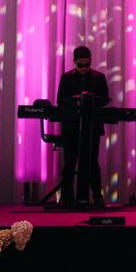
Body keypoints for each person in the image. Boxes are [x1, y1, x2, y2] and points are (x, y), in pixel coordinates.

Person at [56, 45, 111, 207]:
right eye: (80, 65)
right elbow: (60, 101)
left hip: (92, 127)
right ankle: (67, 198)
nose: (84, 69)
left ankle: (97, 196)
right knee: (70, 162)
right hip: (72, 126)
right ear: (74, 62)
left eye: (86, 65)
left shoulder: (98, 78)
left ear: (91, 61)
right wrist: (75, 103)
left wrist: (92, 102)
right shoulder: (66, 78)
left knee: (93, 162)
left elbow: (105, 99)